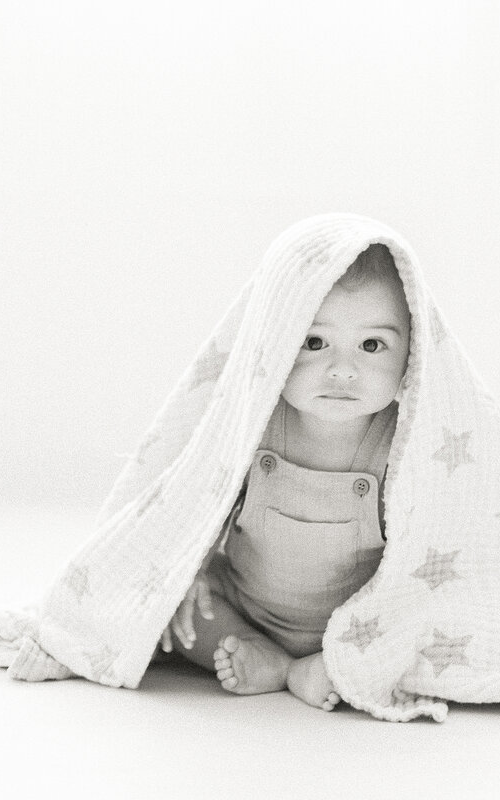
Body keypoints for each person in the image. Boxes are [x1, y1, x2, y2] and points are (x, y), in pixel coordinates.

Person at [155, 243, 410, 711]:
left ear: (413, 350)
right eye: (314, 343)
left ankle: (322, 663)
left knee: (418, 631)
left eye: (372, 345)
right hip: (244, 606)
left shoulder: (408, 441)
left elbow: (427, 548)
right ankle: (271, 660)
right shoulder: (255, 420)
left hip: (355, 625)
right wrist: (187, 567)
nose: (342, 370)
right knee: (174, 606)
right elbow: (204, 498)